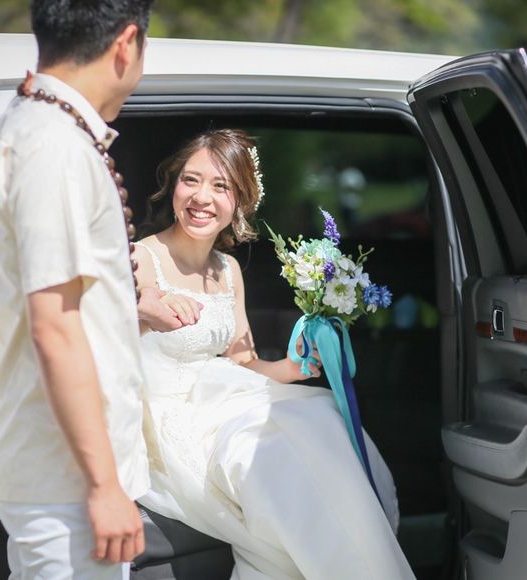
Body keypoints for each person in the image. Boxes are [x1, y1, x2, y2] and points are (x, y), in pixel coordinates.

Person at [134, 129, 416, 579]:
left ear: (240, 201)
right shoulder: (139, 260)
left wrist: (293, 366)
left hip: (224, 398)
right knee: (266, 451)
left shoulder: (228, 270)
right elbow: (107, 313)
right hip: (170, 420)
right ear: (173, 185)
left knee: (321, 416)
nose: (201, 197)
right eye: (191, 180)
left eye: (220, 186)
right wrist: (149, 302)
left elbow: (243, 362)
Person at [0, 1, 174, 578]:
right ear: (126, 44)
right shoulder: (53, 148)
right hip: (66, 478)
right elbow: (54, 326)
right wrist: (103, 485)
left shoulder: (29, 131)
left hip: (61, 469)